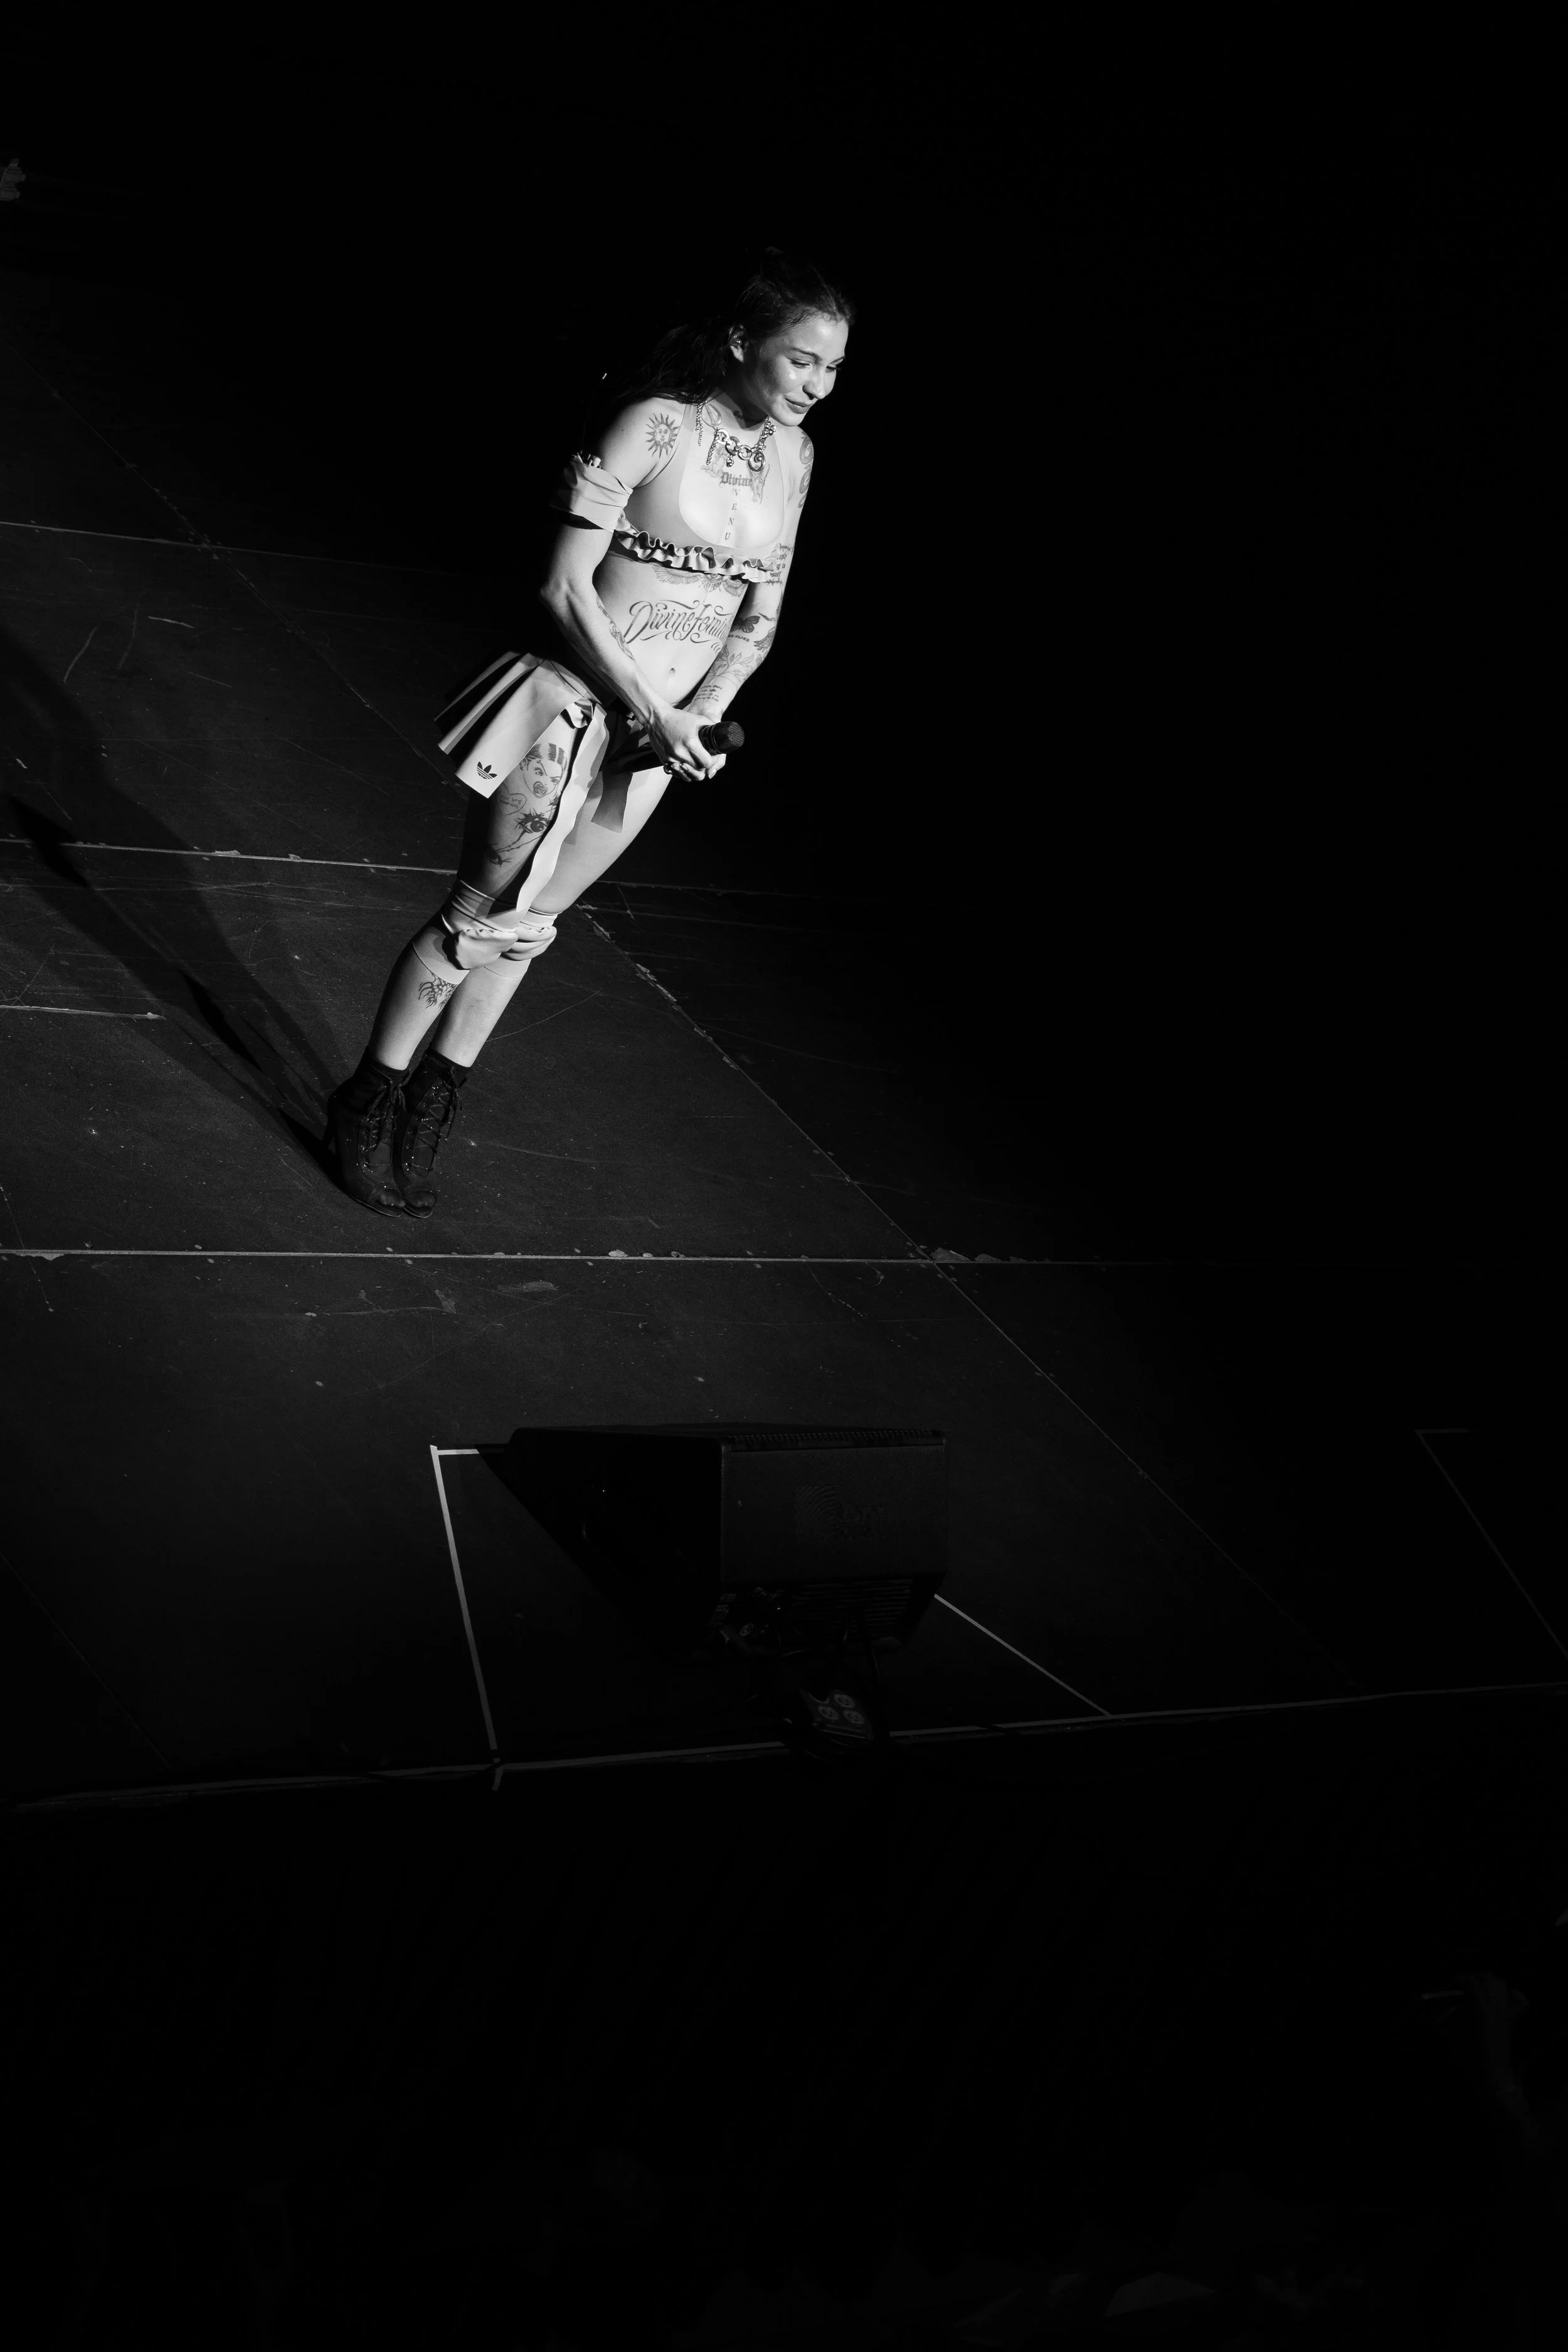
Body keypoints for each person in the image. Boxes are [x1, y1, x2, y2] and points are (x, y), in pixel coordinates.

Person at [323, 248, 853, 1217]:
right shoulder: (653, 424)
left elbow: (759, 614)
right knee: (479, 916)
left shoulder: (797, 456)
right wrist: (653, 709)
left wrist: (698, 716)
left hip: (655, 740)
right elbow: (564, 587)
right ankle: (368, 1097)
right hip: (569, 709)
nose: (816, 386)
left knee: (530, 933)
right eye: (800, 361)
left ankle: (434, 1103)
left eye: (832, 369)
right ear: (744, 341)